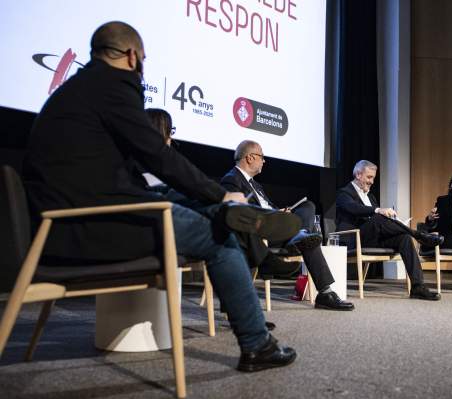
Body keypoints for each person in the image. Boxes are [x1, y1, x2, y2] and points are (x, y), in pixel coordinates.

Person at [22, 21, 298, 372]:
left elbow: (119, 173)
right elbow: (159, 156)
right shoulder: (111, 86)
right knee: (219, 235)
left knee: (197, 206)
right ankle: (258, 344)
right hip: (86, 228)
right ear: (133, 56)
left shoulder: (75, 90)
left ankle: (224, 211)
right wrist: (222, 193)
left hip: (60, 225)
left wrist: (204, 198)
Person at [221, 140, 355, 311]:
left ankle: (324, 292)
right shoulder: (231, 180)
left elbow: (268, 206)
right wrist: (274, 216)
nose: (264, 161)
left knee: (308, 208)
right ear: (249, 158)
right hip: (260, 232)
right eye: (262, 157)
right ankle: (300, 237)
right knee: (308, 239)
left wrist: (280, 212)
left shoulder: (256, 185)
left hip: (277, 227)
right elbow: (239, 213)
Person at [336, 160, 442, 301]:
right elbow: (353, 208)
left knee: (404, 238)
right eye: (369, 177)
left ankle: (418, 286)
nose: (372, 181)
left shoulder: (370, 196)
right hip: (353, 238)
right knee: (378, 217)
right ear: (358, 174)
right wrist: (378, 210)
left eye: (373, 177)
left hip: (372, 238)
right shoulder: (344, 193)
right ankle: (419, 235)